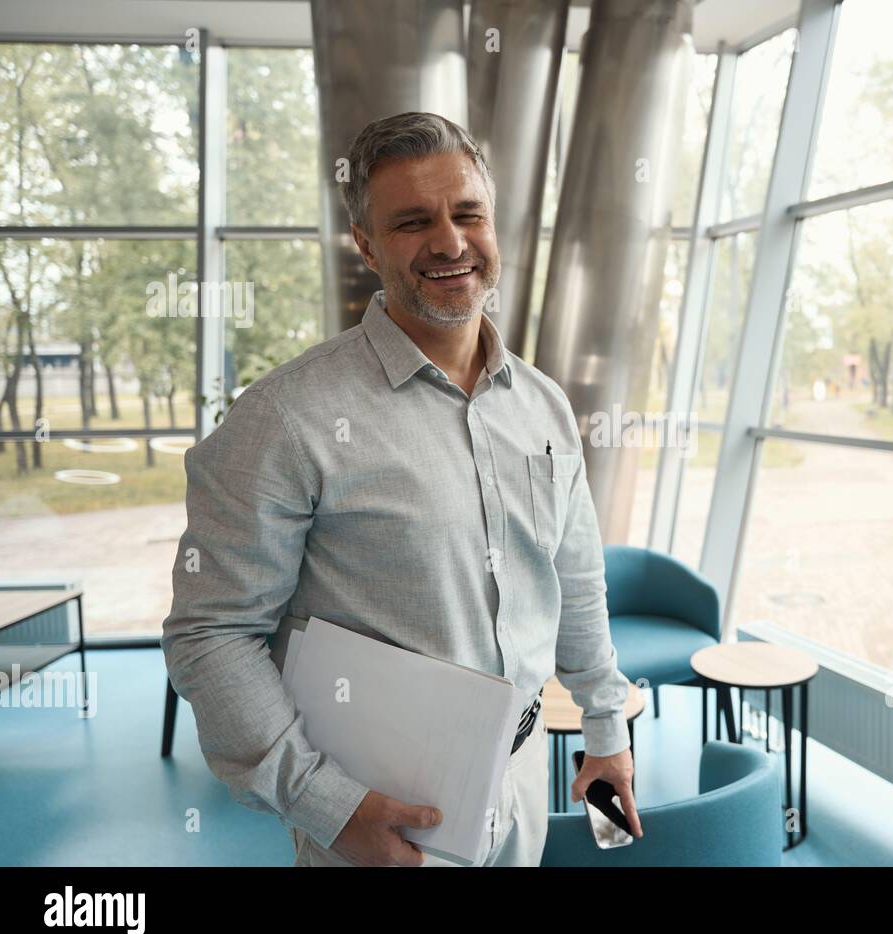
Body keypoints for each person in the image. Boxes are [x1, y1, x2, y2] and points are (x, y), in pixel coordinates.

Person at [161, 111, 642, 867]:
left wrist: (604, 727)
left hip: (520, 785)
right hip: (378, 814)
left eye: (467, 214)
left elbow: (573, 582)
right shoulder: (287, 417)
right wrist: (326, 807)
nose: (449, 243)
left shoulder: (543, 404)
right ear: (367, 246)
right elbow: (210, 634)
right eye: (413, 222)